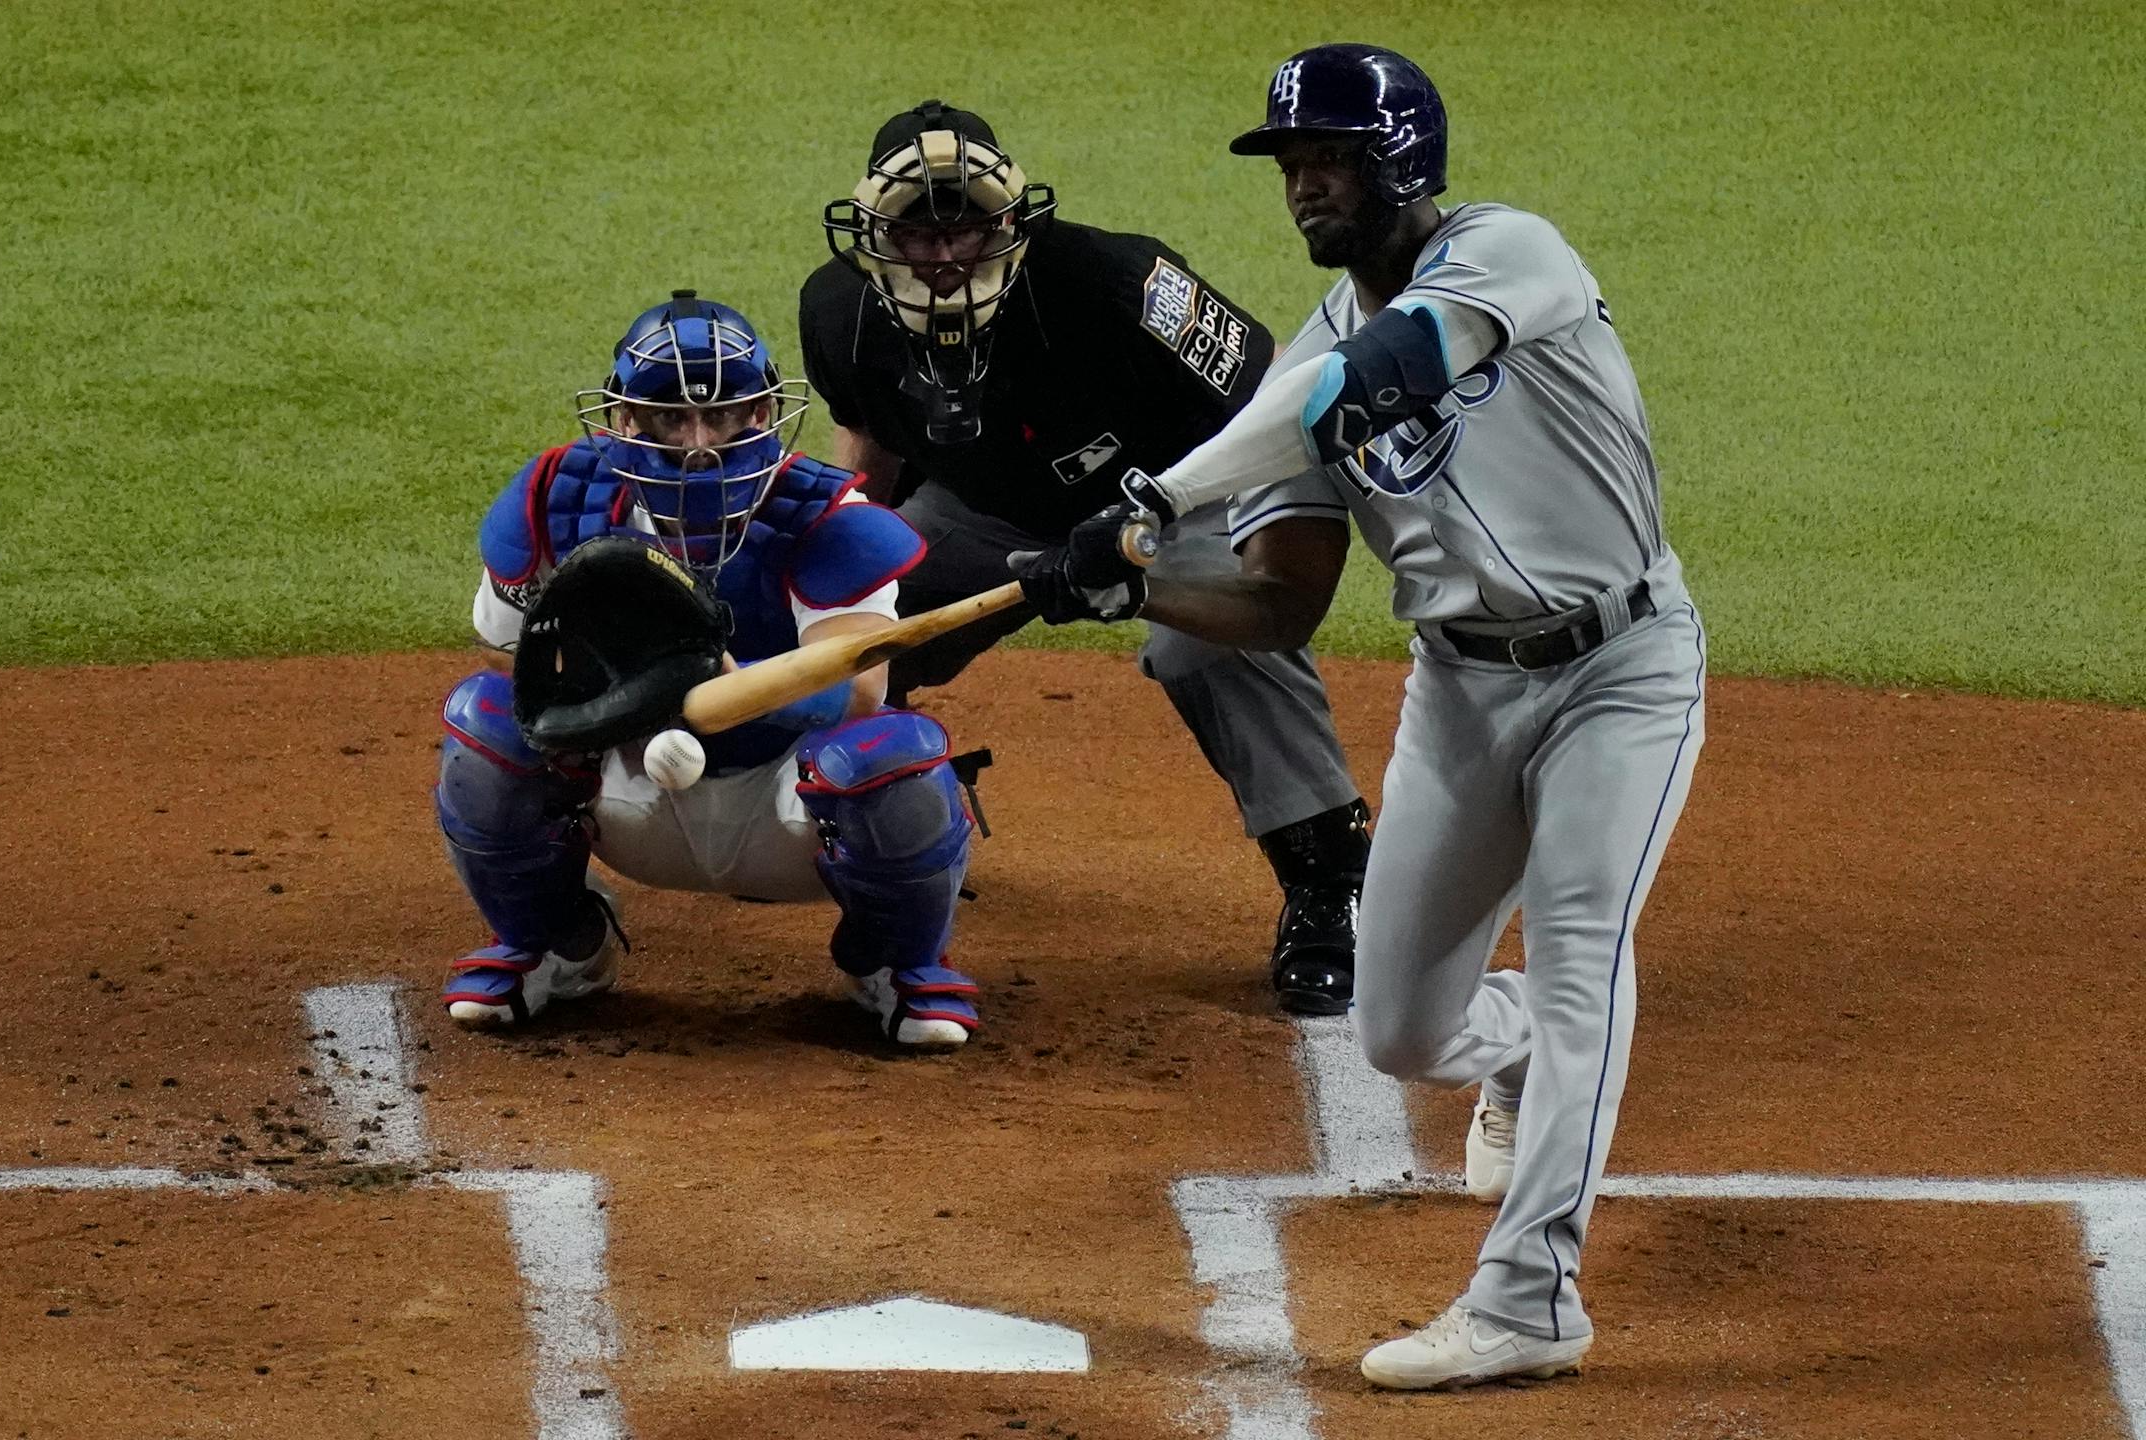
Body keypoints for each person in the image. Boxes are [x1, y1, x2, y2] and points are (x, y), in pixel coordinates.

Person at [1011, 44, 1708, 1389]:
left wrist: (1154, 502)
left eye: (1330, 157)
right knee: (1400, 1030)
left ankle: (1530, 1301)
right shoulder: (1304, 368)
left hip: (1621, 669)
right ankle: (1520, 1048)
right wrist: (1129, 580)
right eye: (1291, 164)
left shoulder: (1510, 255)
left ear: (1405, 161)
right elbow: (1279, 602)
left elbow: (1378, 377)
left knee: (1585, 960)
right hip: (1461, 693)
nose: (1305, 185)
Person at [797, 100, 1372, 1016]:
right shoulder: (839, 309)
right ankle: (877, 815)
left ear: (1010, 222)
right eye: (917, 232)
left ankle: (1330, 881)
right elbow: (871, 453)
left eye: (966, 228)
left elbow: (1274, 401)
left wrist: (1188, 531)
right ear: (876, 234)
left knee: (1208, 644)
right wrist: (845, 586)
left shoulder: (1115, 281)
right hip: (987, 513)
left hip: (1177, 499)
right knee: (844, 627)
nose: (944, 255)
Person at [435, 290, 984, 1049]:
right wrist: (617, 686)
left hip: (784, 806)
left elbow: (859, 688)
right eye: (671, 416)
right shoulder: (561, 499)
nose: (699, 443)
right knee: (486, 720)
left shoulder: (826, 516)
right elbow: (506, 651)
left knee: (894, 754)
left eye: (722, 415)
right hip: (627, 794)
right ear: (628, 418)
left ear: (761, 412)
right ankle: (556, 948)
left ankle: (893, 963)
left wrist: (721, 677)